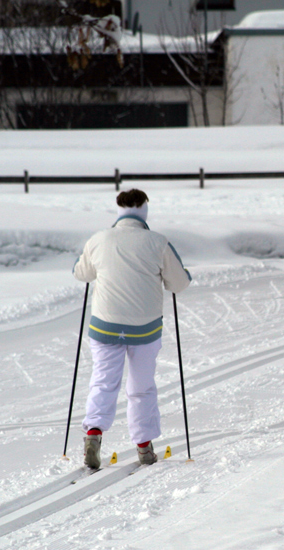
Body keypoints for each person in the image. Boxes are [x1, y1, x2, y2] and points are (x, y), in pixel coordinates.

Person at [73, 189, 191, 469]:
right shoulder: (158, 242)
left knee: (103, 381)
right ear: (144, 210)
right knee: (141, 386)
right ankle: (144, 447)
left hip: (105, 326)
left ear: (119, 211)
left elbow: (82, 274)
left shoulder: (98, 239)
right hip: (144, 329)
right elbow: (179, 284)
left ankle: (93, 435)